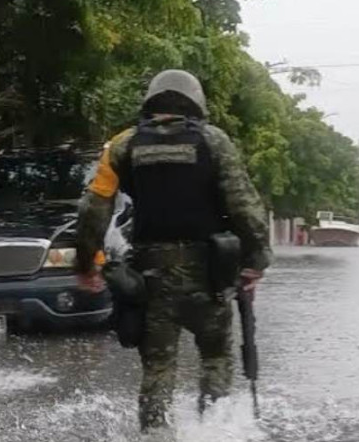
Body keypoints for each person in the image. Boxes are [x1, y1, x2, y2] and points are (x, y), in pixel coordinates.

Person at [74, 70, 272, 431]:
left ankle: (154, 434)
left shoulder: (123, 145)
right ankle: (215, 431)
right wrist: (256, 261)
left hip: (152, 280)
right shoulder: (215, 141)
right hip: (210, 277)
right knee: (216, 359)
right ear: (196, 102)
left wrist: (87, 263)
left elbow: (93, 208)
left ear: (151, 101)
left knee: (157, 369)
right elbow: (245, 207)